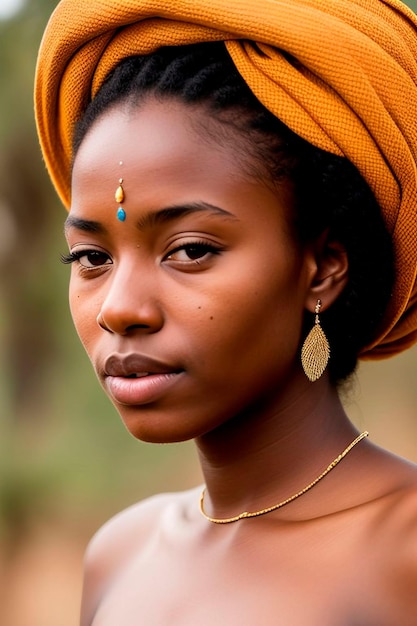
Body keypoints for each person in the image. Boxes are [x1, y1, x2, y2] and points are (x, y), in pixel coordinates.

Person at [34, 0, 417, 624]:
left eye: (189, 250)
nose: (120, 308)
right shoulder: (120, 552)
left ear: (321, 268)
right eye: (90, 258)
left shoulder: (405, 554)